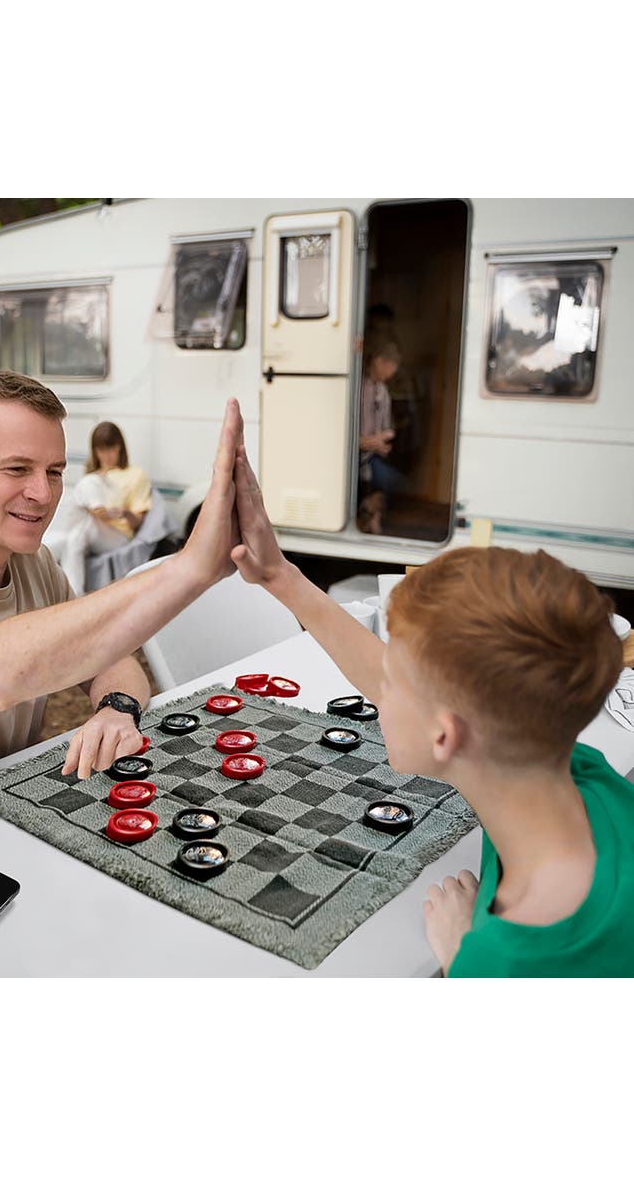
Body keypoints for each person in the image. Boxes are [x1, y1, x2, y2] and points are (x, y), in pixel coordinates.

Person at [230, 433, 633, 977]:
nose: (379, 686)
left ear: (445, 736)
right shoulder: (579, 776)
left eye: (393, 682)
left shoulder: (504, 963)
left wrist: (458, 955)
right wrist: (282, 576)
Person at [0, 371, 243, 817]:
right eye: (17, 468)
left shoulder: (33, 563)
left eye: (54, 472)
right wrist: (185, 569)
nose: (42, 493)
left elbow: (112, 660)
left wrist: (117, 709)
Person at [56, 421, 153, 595]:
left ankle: (73, 596)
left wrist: (124, 513)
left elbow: (138, 521)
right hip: (90, 524)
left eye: (111, 449)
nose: (106, 455)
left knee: (77, 534)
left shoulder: (135, 474)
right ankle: (71, 593)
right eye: (101, 450)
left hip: (118, 534)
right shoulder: (93, 474)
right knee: (73, 534)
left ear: (120, 448)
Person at [357, 332, 407, 535]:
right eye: (390, 368)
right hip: (358, 455)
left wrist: (383, 439)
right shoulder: (358, 387)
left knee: (393, 479)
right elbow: (350, 438)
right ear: (379, 361)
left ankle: (371, 512)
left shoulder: (382, 390)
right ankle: (368, 511)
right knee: (394, 482)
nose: (391, 375)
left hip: (371, 453)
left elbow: (386, 425)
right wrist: (373, 442)